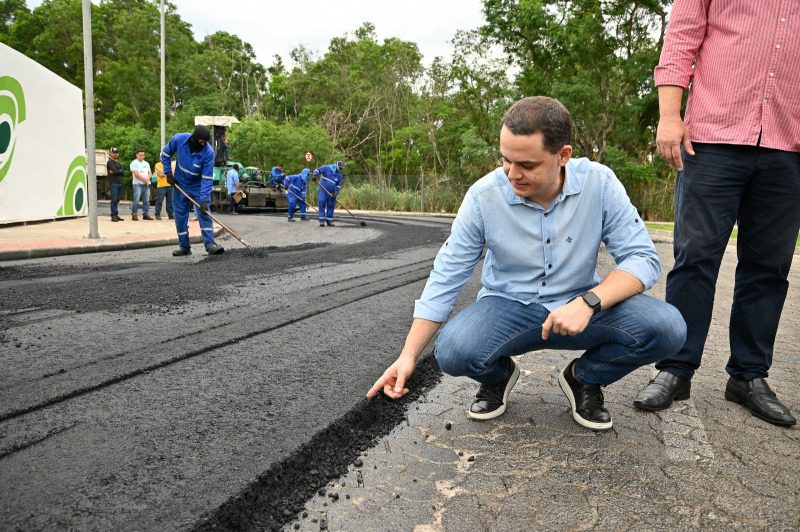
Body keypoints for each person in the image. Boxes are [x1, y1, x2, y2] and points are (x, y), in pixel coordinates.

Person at [366, 96, 686, 431]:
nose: (512, 174)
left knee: (668, 328)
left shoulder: (600, 184)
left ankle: (584, 378)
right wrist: (408, 356)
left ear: (563, 156)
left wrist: (590, 302)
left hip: (580, 306)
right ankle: (499, 375)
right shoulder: (483, 197)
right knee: (454, 350)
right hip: (508, 307)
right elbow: (446, 276)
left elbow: (642, 258)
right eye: (506, 160)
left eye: (527, 165)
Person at [633, 0, 799, 428]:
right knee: (696, 256)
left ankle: (748, 376)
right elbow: (681, 40)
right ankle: (676, 368)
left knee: (768, 267)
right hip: (711, 138)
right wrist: (669, 115)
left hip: (788, 144)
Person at [161, 125, 224, 256]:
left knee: (204, 213)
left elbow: (207, 178)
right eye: (201, 142)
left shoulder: (208, 152)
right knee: (180, 216)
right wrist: (168, 174)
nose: (203, 145)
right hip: (180, 183)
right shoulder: (179, 140)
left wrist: (204, 200)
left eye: (205, 142)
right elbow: (165, 154)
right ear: (194, 138)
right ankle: (184, 247)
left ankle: (210, 244)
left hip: (198, 185)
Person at [312, 161, 343, 227]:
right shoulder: (326, 168)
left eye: (341, 168)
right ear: (336, 166)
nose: (340, 169)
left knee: (331, 205)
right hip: (322, 190)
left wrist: (336, 193)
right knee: (322, 202)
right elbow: (318, 170)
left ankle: (329, 221)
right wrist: (315, 175)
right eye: (340, 168)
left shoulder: (339, 175)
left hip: (332, 193)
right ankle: (321, 221)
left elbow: (338, 186)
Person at [129, 149, 153, 220]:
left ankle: (146, 214)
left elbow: (150, 173)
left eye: (143, 155)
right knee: (136, 200)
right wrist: (144, 180)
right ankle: (134, 214)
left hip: (146, 184)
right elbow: (136, 174)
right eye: (140, 155)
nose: (142, 156)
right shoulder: (134, 163)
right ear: (136, 155)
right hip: (137, 184)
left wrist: (147, 179)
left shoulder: (146, 163)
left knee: (146, 200)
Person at [106, 147, 125, 222]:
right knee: (114, 199)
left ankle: (116, 214)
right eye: (113, 153)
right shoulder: (109, 162)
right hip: (113, 183)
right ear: (110, 153)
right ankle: (113, 215)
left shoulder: (118, 163)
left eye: (116, 153)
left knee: (117, 199)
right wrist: (118, 171)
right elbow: (116, 171)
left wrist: (117, 171)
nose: (115, 154)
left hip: (120, 182)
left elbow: (122, 172)